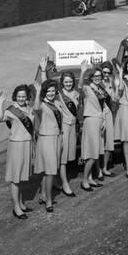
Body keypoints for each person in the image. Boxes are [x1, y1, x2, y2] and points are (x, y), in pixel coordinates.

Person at [39, 57, 79, 197]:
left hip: (73, 127)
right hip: (63, 129)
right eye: (66, 81)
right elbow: (46, 86)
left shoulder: (76, 93)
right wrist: (43, 70)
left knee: (66, 157)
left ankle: (56, 181)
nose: (68, 83)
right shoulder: (58, 95)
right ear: (62, 82)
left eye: (70, 81)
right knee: (62, 158)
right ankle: (64, 184)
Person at [0, 85, 35, 219]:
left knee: (22, 176)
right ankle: (16, 207)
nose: (21, 98)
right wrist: (1, 102)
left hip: (27, 144)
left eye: (23, 96)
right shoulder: (12, 110)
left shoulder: (29, 108)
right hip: (16, 145)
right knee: (15, 177)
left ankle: (21, 203)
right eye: (19, 96)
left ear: (27, 97)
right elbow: (0, 118)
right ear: (15, 97)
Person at [32, 78, 64, 213]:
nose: (51, 93)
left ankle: (44, 195)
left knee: (48, 169)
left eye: (53, 91)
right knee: (50, 170)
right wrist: (39, 91)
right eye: (48, 91)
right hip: (46, 139)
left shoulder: (56, 102)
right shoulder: (42, 105)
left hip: (56, 137)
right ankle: (49, 201)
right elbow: (35, 108)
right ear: (44, 92)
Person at [77, 63, 106, 191]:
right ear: (91, 77)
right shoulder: (88, 89)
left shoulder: (100, 88)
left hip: (99, 120)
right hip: (91, 120)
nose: (97, 78)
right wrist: (82, 71)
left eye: (99, 76)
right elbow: (79, 86)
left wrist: (104, 120)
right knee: (93, 154)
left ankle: (89, 178)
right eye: (95, 76)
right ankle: (84, 180)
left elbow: (103, 107)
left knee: (94, 152)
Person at [99, 61, 118, 177]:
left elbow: (115, 99)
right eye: (104, 72)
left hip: (109, 114)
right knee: (99, 142)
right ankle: (98, 169)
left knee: (108, 142)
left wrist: (115, 87)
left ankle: (105, 167)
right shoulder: (96, 84)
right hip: (98, 115)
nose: (106, 75)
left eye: (108, 73)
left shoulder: (112, 83)